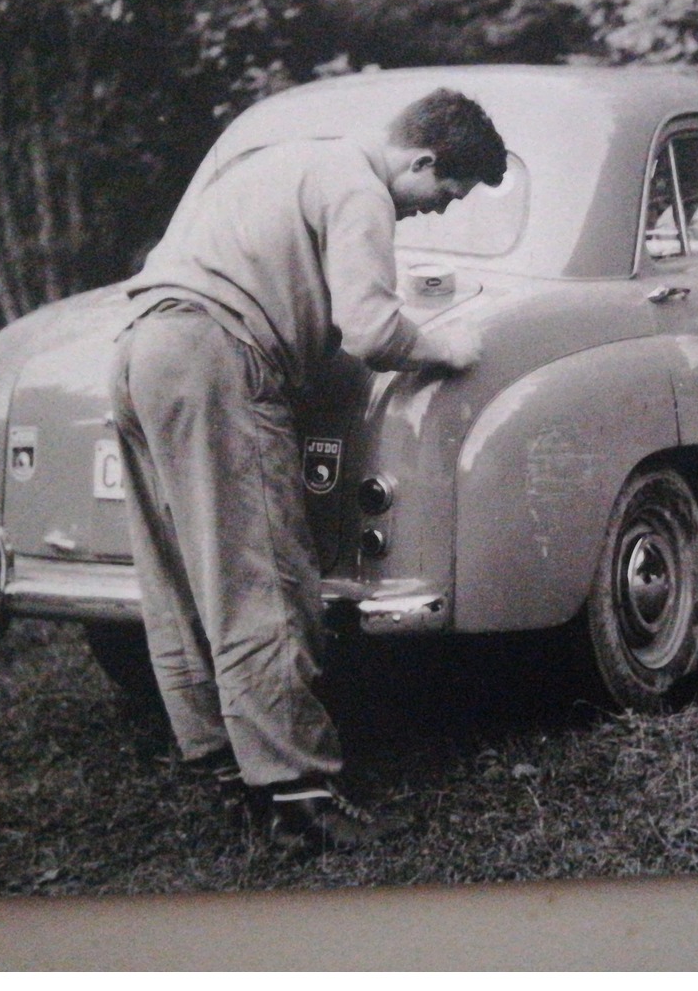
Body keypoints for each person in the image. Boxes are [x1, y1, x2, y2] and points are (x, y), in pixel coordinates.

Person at [109, 88, 507, 851]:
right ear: (419, 159)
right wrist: (446, 347)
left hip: (139, 350)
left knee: (181, 574)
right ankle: (297, 794)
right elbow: (371, 329)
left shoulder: (282, 161)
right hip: (215, 357)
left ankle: (224, 766)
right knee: (260, 575)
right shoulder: (359, 186)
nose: (437, 212)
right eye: (443, 193)